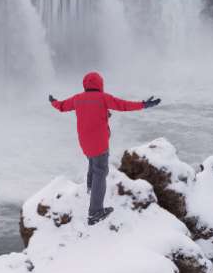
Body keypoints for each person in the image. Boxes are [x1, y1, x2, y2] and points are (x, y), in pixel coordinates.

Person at [49, 71, 161, 225]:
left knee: (92, 162)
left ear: (85, 85)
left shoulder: (77, 99)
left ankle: (89, 187)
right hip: (99, 143)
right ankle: (95, 212)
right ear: (99, 84)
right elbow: (124, 105)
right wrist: (143, 105)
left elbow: (61, 106)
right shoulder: (103, 98)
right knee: (101, 172)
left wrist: (53, 101)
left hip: (84, 142)